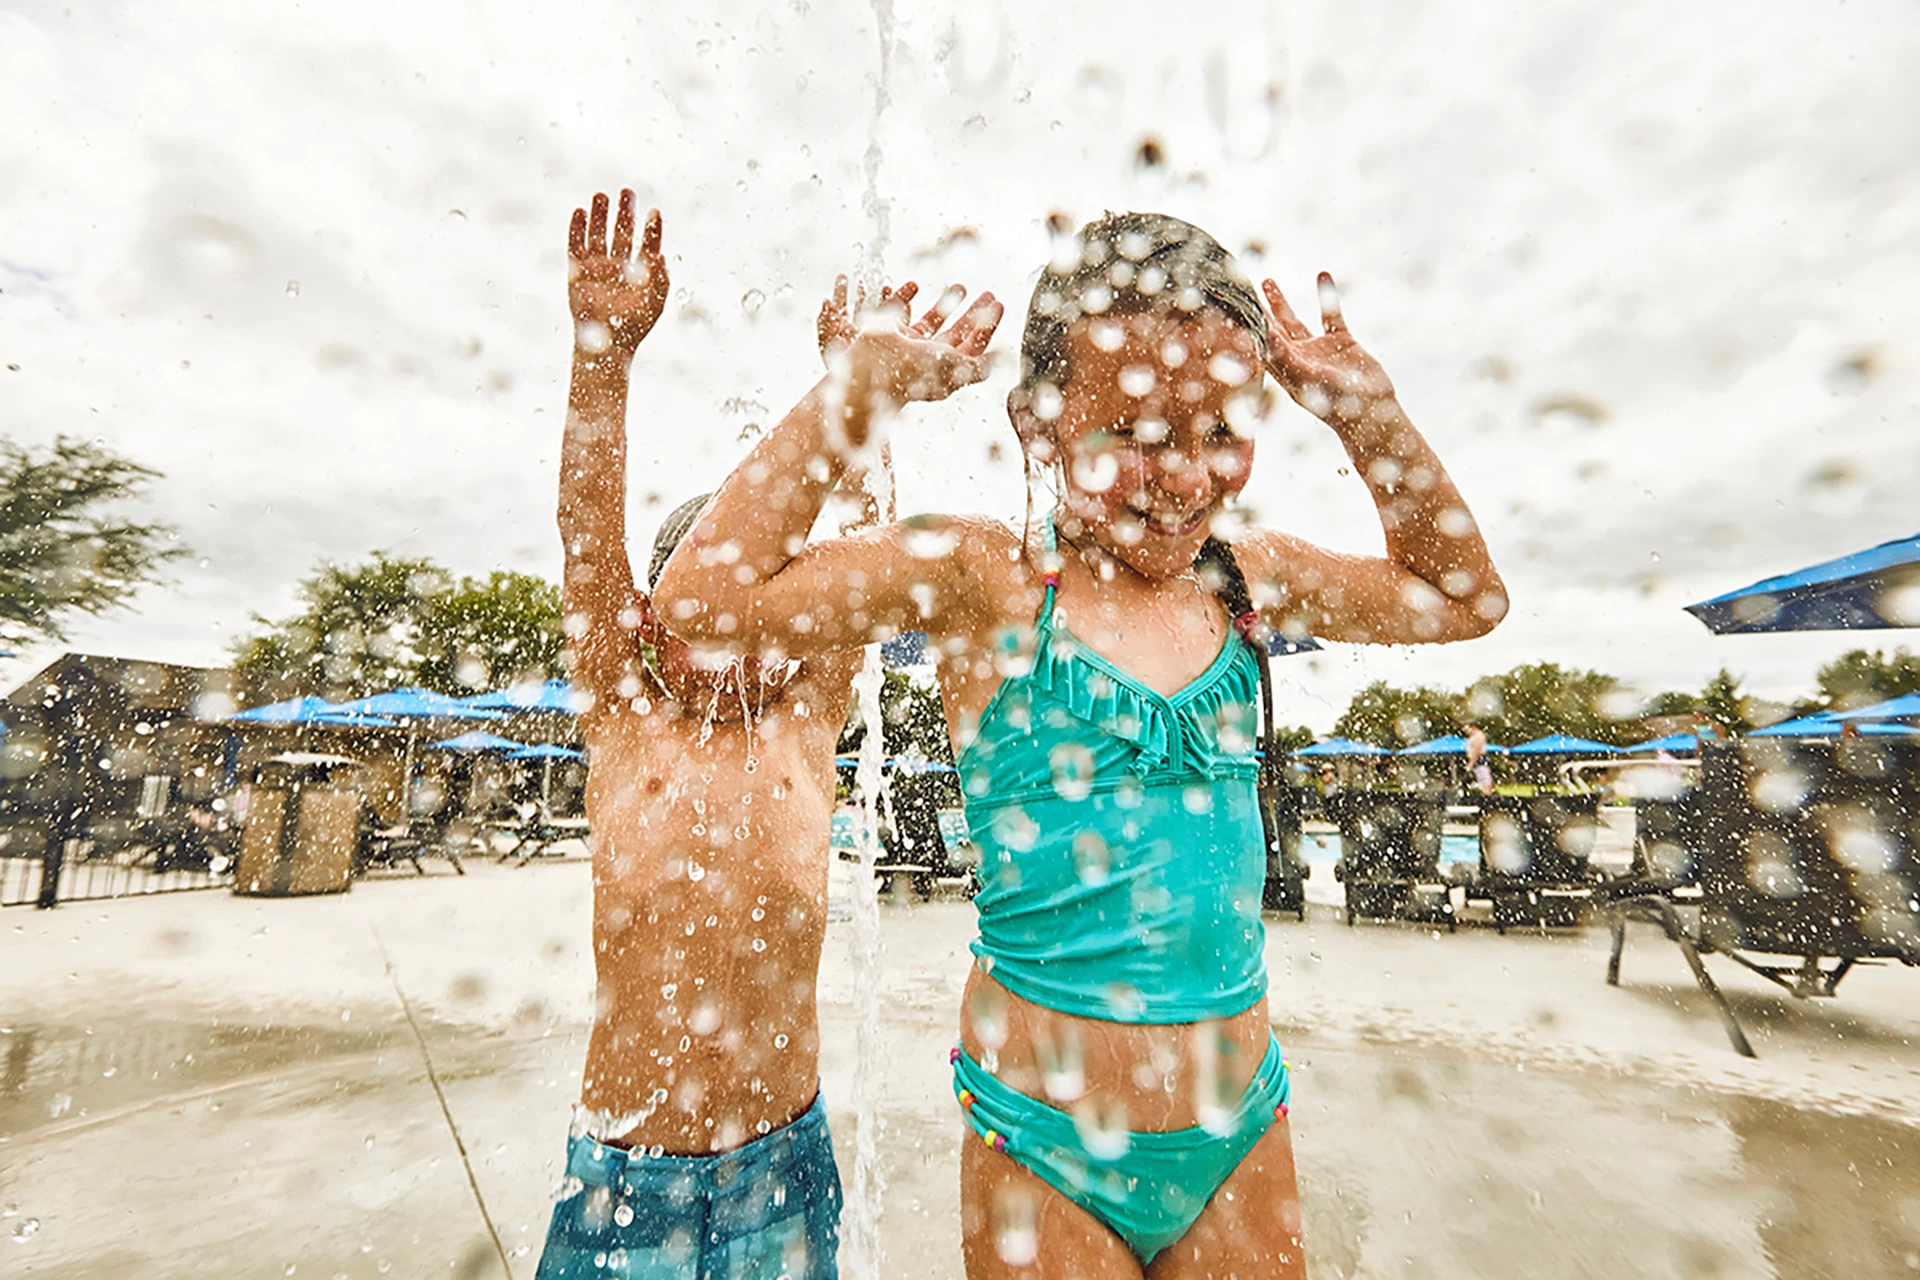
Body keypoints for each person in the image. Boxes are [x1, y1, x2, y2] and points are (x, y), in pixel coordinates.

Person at [655, 211, 1504, 1277]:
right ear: (1039, 425)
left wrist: (1367, 415)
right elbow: (702, 596)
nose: (1187, 475)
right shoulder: (987, 579)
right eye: (1140, 433)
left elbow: (1462, 596)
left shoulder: (1246, 578)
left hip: (1236, 1132)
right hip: (1044, 1145)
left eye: (1219, 432)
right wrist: (852, 395)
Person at [534, 188, 869, 1280]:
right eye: (706, 620)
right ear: (648, 624)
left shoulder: (806, 724)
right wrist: (604, 352)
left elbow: (870, 547)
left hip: (785, 1154)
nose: (736, 644)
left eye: (759, 614)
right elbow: (589, 532)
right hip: (627, 1171)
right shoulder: (628, 730)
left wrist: (854, 389)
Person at [1465, 722, 1493, 795]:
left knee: (1484, 779)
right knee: (1482, 778)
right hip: (1477, 760)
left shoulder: (1478, 736)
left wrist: (1471, 763)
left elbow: (1477, 750)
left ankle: (1486, 794)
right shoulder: (1474, 736)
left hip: (1479, 759)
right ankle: (1485, 794)